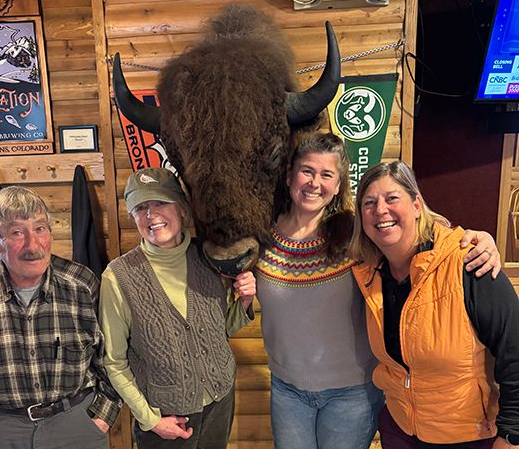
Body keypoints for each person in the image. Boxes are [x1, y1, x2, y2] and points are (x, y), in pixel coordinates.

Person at [254, 133, 502, 449]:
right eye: (307, 171)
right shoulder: (261, 235)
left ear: (339, 183)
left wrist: (477, 238)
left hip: (351, 392)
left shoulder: (357, 236)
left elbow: (421, 240)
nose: (315, 183)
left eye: (327, 174)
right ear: (290, 175)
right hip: (287, 390)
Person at [350, 161, 519, 449]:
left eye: (392, 198)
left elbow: (515, 351)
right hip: (400, 430)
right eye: (369, 203)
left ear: (417, 205)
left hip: (467, 437)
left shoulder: (469, 264)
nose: (380, 210)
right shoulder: (368, 275)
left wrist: (512, 434)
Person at [0, 186, 121, 449]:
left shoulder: (82, 284)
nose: (33, 245)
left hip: (76, 424)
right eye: (16, 232)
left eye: (40, 229)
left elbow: (110, 358)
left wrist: (103, 415)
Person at [99, 167, 256, 449]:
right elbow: (114, 361)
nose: (151, 215)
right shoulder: (118, 276)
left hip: (219, 403)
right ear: (132, 216)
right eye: (141, 208)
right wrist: (150, 420)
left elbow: (220, 331)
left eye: (160, 203)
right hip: (164, 417)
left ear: (182, 209)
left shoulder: (209, 258)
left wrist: (244, 300)